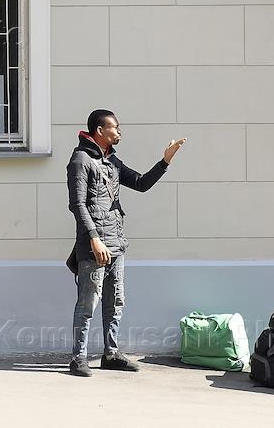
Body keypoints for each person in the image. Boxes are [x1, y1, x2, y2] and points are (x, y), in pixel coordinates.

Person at [66, 109, 185, 376]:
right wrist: (94, 239)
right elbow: (77, 205)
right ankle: (78, 358)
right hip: (94, 247)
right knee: (87, 304)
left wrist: (165, 161)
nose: (119, 131)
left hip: (117, 243)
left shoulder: (112, 161)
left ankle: (111, 353)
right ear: (100, 130)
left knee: (115, 302)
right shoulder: (80, 160)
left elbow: (141, 183)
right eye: (115, 127)